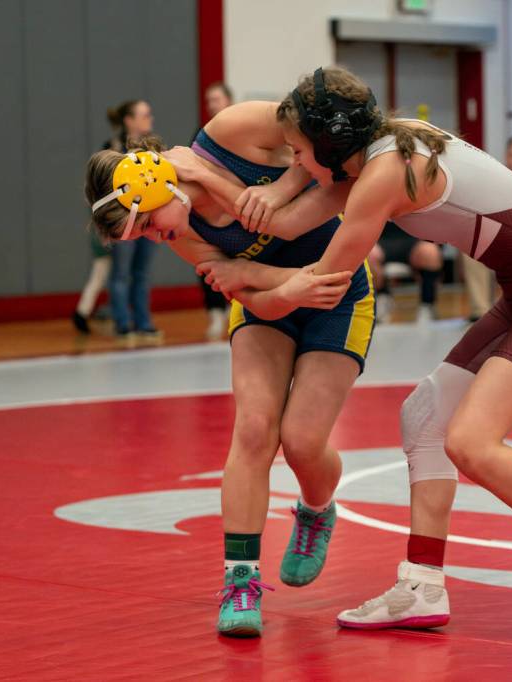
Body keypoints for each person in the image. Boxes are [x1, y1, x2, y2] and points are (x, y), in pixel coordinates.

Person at [233, 66, 512, 644]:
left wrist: (240, 275)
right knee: (423, 417)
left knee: (470, 440)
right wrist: (247, 187)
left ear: (330, 143)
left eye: (298, 150)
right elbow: (291, 211)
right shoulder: (380, 148)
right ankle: (421, 585)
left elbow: (327, 278)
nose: (293, 162)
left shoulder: (385, 172)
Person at [86, 101, 375, 638]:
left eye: (148, 225)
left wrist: (282, 188)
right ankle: (240, 578)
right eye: (141, 236)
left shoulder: (229, 133)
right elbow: (257, 300)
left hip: (337, 291)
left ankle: (316, 509)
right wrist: (277, 284)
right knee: (254, 429)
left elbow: (320, 134)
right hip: (270, 302)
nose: (155, 238)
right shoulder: (181, 232)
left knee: (303, 442)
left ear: (162, 188)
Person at [103, 100, 160, 339]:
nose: (150, 119)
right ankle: (122, 322)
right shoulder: (113, 147)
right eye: (144, 115)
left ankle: (143, 321)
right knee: (121, 272)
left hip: (148, 220)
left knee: (142, 273)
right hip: (124, 221)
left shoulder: (152, 147)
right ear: (129, 120)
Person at [191, 82, 236, 340]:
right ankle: (215, 314)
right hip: (213, 211)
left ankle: (237, 308)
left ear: (229, 100)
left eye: (216, 99)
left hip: (238, 208)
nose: (212, 105)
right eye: (209, 100)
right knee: (209, 262)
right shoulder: (202, 134)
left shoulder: (241, 127)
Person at [367, 223, 443, 323]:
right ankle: (382, 297)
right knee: (369, 255)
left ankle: (427, 304)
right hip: (381, 240)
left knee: (430, 252)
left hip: (412, 240)